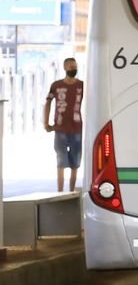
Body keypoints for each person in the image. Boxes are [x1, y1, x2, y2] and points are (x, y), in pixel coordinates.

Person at [44, 57, 84, 192]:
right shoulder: (56, 85)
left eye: (75, 66)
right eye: (71, 67)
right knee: (60, 162)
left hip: (77, 128)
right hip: (60, 129)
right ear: (65, 68)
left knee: (75, 163)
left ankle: (71, 192)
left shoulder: (82, 86)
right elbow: (48, 103)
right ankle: (60, 192)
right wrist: (46, 123)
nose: (74, 69)